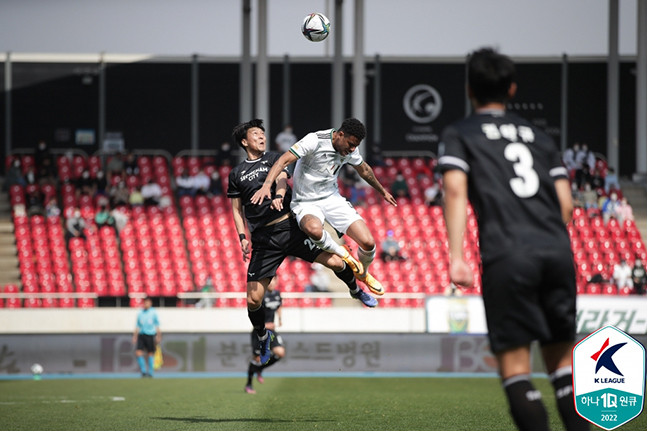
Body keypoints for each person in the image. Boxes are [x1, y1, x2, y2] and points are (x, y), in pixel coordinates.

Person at [439, 48, 588, 431]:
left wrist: (456, 257)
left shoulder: (460, 133)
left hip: (509, 255)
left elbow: (454, 191)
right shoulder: (539, 135)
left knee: (517, 371)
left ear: (470, 89)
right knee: (563, 368)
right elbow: (567, 206)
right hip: (557, 252)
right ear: (512, 88)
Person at [229, 119, 377, 365]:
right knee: (253, 299)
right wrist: (242, 237)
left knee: (337, 263)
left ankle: (355, 290)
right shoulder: (236, 174)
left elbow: (282, 178)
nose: (262, 137)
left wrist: (277, 195)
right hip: (264, 240)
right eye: (256, 134)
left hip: (290, 227)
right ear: (245, 141)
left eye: (263, 133)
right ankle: (263, 336)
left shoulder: (274, 159)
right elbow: (236, 210)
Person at [251, 118, 396, 297]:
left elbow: (364, 169)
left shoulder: (351, 149)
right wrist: (266, 185)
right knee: (313, 229)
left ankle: (363, 273)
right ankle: (344, 255)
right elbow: (282, 161)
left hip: (332, 199)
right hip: (305, 202)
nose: (352, 149)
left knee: (368, 243)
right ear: (340, 134)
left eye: (355, 146)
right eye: (351, 144)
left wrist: (382, 191)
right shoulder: (315, 140)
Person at [245, 277, 284, 394]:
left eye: (273, 280)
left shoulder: (277, 294)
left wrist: (280, 318)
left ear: (277, 281)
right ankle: (248, 385)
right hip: (259, 330)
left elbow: (279, 305)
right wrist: (265, 324)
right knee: (256, 359)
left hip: (271, 332)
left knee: (280, 353)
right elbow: (253, 312)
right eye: (269, 280)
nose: (271, 283)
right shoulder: (261, 295)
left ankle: (260, 369)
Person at [132, 297, 161, 378]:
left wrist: (159, 336)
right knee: (138, 353)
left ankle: (151, 372)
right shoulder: (140, 312)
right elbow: (137, 325)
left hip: (150, 335)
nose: (146, 304)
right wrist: (135, 336)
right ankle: (143, 371)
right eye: (145, 303)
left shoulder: (153, 312)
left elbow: (157, 325)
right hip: (142, 335)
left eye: (148, 303)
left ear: (151, 303)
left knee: (150, 353)